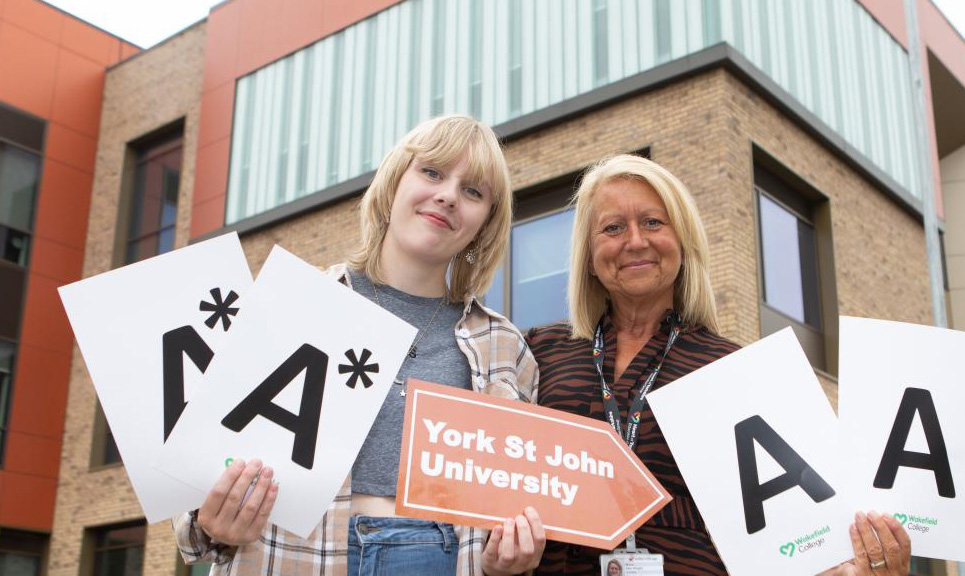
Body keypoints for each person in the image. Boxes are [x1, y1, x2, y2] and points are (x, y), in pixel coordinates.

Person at [173, 115, 545, 576]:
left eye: (473, 191)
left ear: (485, 224)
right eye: (432, 172)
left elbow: (510, 513)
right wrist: (209, 522)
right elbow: (193, 495)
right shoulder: (289, 304)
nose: (449, 195)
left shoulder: (505, 348)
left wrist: (505, 564)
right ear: (393, 184)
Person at [526, 154, 911, 576]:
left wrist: (853, 564)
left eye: (653, 222)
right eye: (613, 227)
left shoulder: (733, 369)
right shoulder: (539, 353)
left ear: (683, 242)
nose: (634, 241)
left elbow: (793, 529)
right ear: (588, 255)